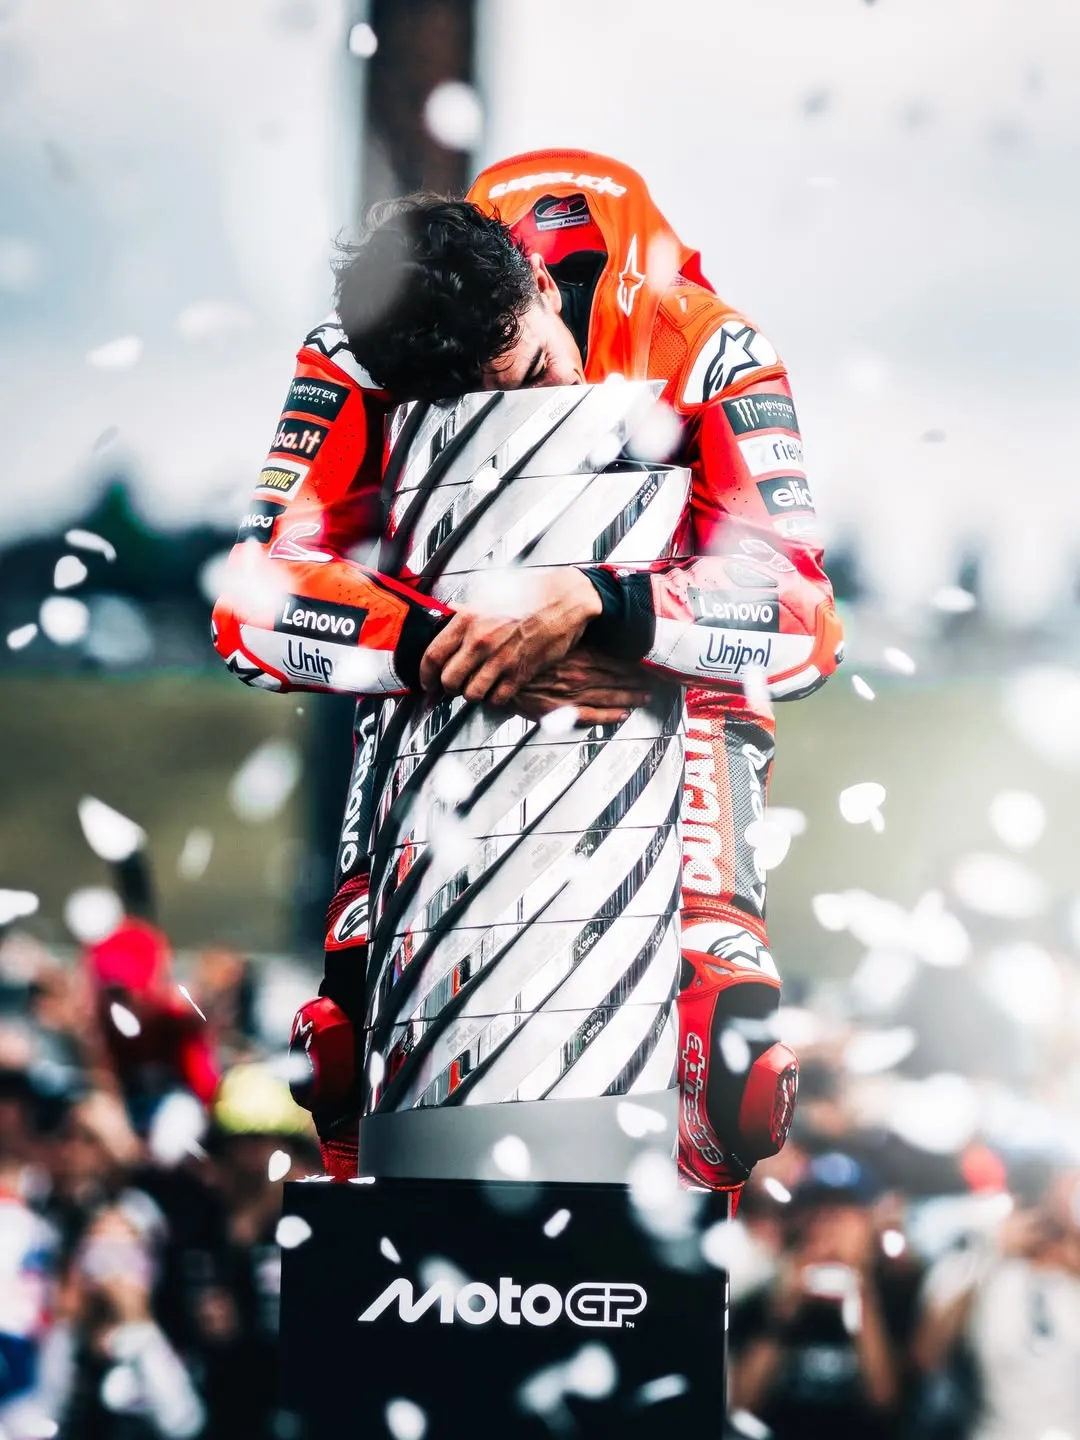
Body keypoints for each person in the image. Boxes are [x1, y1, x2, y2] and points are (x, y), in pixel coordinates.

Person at [212, 148, 843, 1196]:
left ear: (542, 286)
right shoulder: (351, 354)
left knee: (730, 1049)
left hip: (667, 700)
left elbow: (808, 623)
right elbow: (249, 607)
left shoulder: (705, 344)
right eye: (455, 427)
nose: (511, 438)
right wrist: (450, 643)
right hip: (432, 692)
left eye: (530, 383)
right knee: (343, 1043)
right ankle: (406, 1258)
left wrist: (603, 603)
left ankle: (662, 1265)